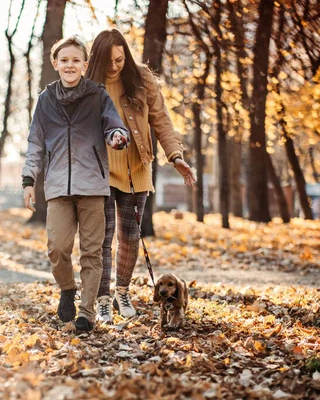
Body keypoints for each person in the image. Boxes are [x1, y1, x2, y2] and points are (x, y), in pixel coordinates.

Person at [85, 29, 196, 322]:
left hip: (137, 168)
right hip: (102, 170)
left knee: (131, 238)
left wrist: (176, 156)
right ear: (97, 58)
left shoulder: (143, 78)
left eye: (120, 60)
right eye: (108, 61)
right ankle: (103, 298)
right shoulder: (88, 83)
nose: (114, 66)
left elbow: (161, 119)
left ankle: (122, 290)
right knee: (104, 238)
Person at [22, 35, 130, 332]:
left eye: (76, 60)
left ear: (84, 64)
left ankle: (87, 314)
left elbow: (113, 125)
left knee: (93, 253)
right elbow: (36, 143)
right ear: (55, 63)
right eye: (64, 60)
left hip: (93, 186)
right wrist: (29, 180)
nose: (70, 65)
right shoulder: (45, 100)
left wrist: (117, 138)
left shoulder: (97, 95)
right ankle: (68, 289)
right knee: (57, 248)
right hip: (57, 187)